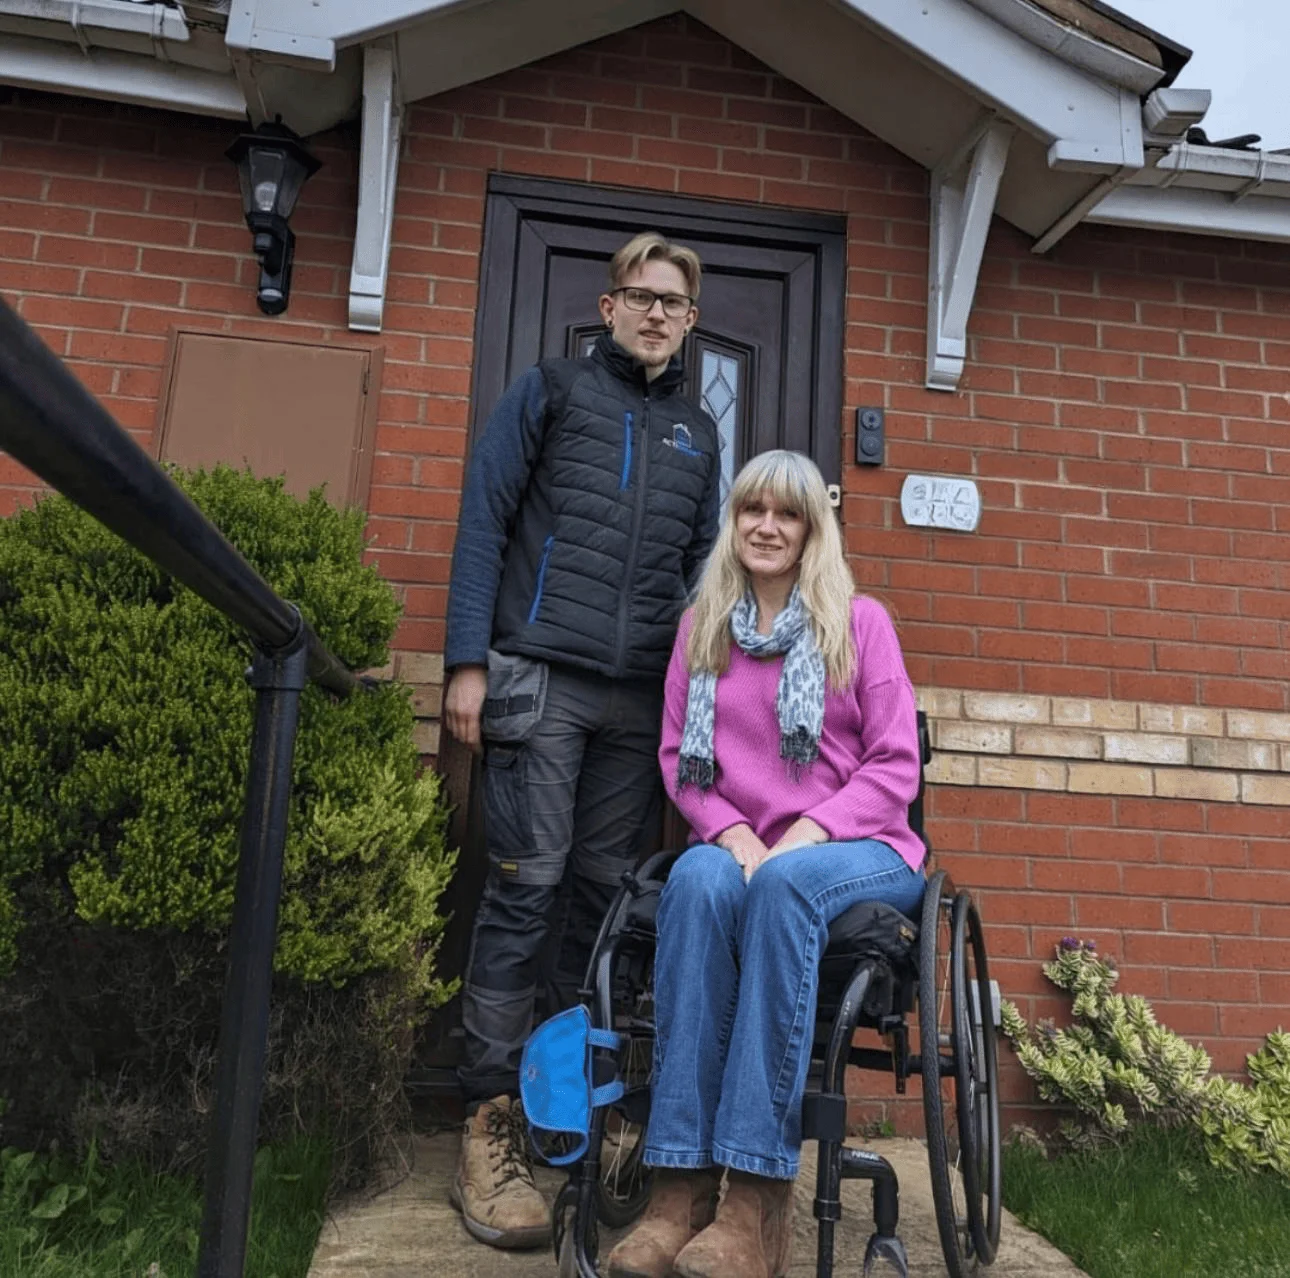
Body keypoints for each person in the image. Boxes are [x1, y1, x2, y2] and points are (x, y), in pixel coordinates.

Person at [442, 231, 721, 1250]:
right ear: (609, 307)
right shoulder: (551, 393)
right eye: (640, 296)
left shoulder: (698, 432)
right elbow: (484, 520)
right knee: (526, 887)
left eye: (672, 303)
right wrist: (466, 662)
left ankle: (567, 1116)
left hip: (638, 701)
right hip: (539, 679)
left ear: (690, 321)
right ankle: (489, 1121)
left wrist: (701, 707)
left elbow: (705, 575)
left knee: (605, 905)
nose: (655, 314)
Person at [606, 450, 926, 1278]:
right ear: (734, 522)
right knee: (694, 879)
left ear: (814, 531)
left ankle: (754, 1196)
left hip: (859, 848)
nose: (768, 527)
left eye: (788, 514)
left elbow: (895, 767)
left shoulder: (860, 624)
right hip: (746, 846)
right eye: (753, 510)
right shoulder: (703, 629)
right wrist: (729, 833)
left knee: (783, 885)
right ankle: (679, 1187)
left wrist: (808, 832)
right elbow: (681, 763)